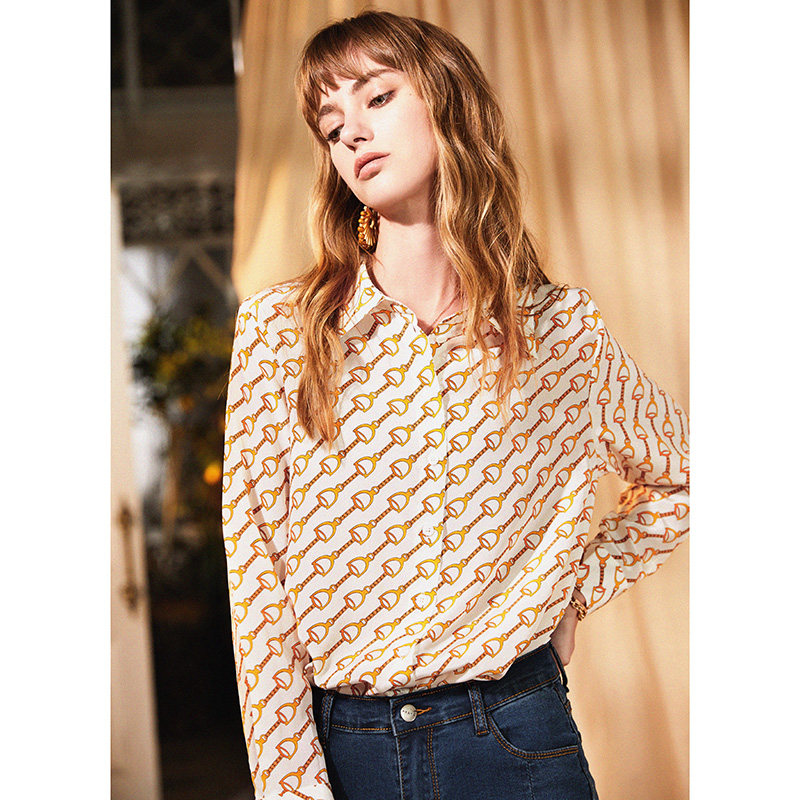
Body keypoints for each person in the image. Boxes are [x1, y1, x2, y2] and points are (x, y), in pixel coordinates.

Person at [222, 10, 689, 800]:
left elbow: (682, 477)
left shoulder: (559, 334)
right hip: (351, 752)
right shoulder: (282, 335)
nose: (352, 133)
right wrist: (290, 785)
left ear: (447, 103)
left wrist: (572, 591)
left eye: (377, 98)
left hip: (517, 733)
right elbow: (256, 575)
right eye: (331, 125)